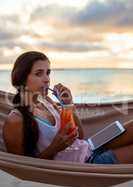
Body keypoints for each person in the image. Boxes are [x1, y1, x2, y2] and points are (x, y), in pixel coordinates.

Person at [3, 51, 133, 164]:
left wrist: (68, 105)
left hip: (89, 146)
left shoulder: (47, 101)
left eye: (48, 73)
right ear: (22, 78)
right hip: (86, 164)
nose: (47, 79)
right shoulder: (15, 120)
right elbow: (24, 170)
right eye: (39, 74)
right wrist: (54, 148)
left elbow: (80, 136)